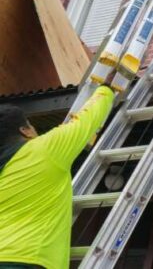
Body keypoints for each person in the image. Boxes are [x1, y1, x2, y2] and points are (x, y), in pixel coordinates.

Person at [0, 86, 115, 269]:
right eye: (31, 125)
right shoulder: (44, 149)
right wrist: (107, 89)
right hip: (29, 260)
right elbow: (87, 120)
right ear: (25, 131)